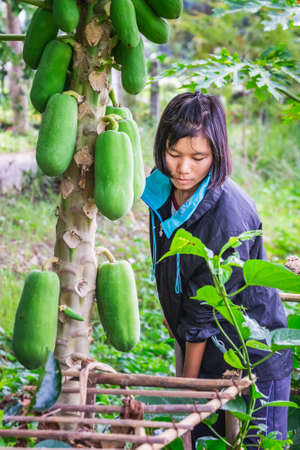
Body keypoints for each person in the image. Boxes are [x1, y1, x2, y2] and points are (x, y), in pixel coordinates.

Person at [141, 91, 292, 448]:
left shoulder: (226, 218)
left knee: (254, 443)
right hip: (207, 350)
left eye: (198, 157)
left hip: (252, 357)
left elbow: (202, 314)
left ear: (217, 155)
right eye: (173, 154)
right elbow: (168, 258)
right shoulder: (162, 187)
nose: (183, 169)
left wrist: (187, 396)